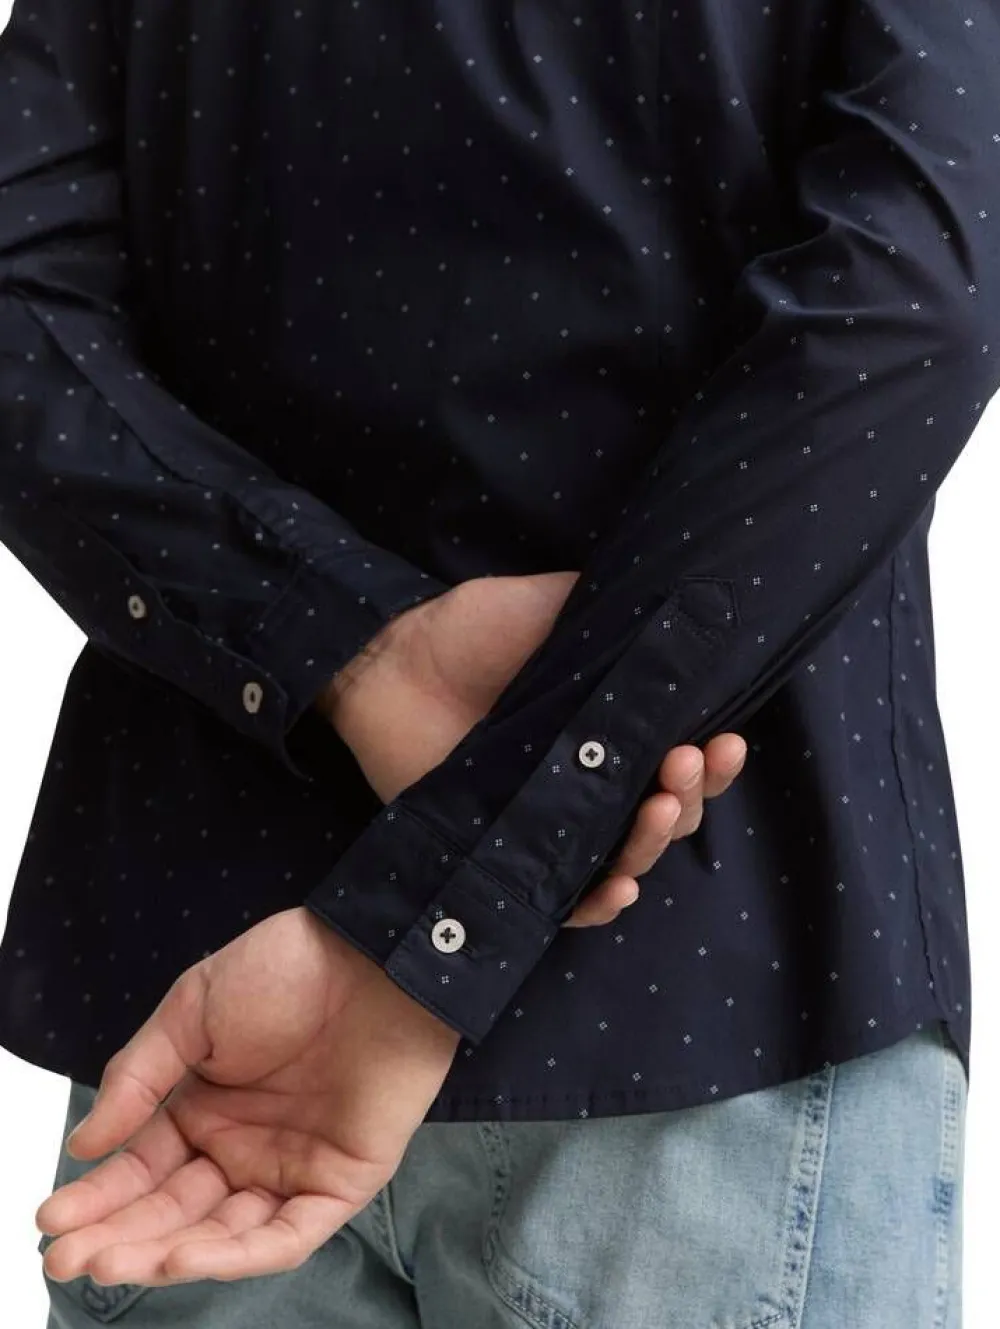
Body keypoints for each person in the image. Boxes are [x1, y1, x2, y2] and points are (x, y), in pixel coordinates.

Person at [0, 1, 989, 1324]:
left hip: (205, 1038)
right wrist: (466, 872)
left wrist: (346, 650)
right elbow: (904, 306)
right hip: (703, 979)